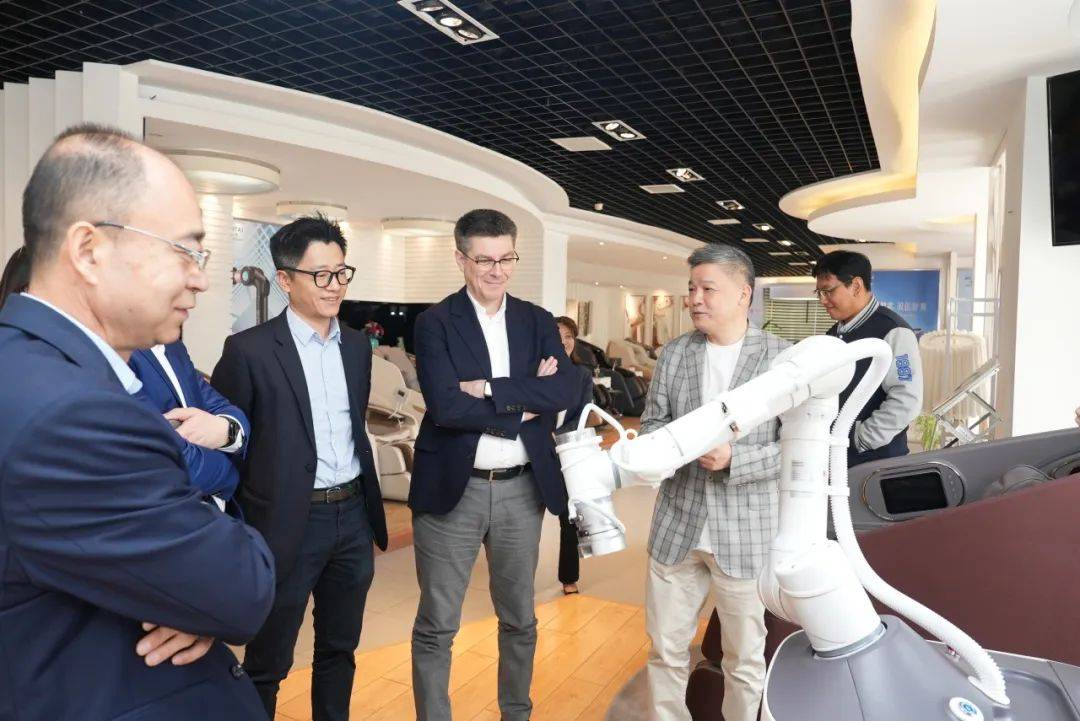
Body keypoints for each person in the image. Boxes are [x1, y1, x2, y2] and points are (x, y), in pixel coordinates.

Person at [0, 123, 275, 721]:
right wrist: (201, 592)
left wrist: (192, 588)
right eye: (184, 250)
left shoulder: (30, 367)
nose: (200, 276)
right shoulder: (74, 416)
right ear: (89, 251)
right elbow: (242, 588)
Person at [212, 214, 388, 721]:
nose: (335, 286)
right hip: (286, 523)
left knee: (339, 650)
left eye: (341, 272)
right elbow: (230, 445)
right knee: (267, 663)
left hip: (352, 517)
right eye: (321, 275)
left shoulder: (356, 347)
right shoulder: (248, 351)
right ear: (286, 280)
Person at [409, 209, 578, 721]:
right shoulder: (435, 323)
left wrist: (487, 388)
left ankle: (516, 714)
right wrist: (525, 402)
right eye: (484, 260)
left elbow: (565, 389)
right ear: (461, 259)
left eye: (506, 258)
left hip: (521, 490)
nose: (497, 271)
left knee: (520, 619)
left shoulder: (537, 320)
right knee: (438, 624)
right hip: (452, 490)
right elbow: (446, 408)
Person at [642, 244, 790, 721]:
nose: (695, 299)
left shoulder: (781, 359)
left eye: (708, 289)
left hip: (745, 532)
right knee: (665, 651)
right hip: (677, 526)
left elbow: (795, 448)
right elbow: (652, 424)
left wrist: (734, 459)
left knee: (744, 660)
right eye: (691, 289)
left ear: (744, 293)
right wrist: (666, 450)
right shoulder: (675, 353)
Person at [813, 250, 923, 466]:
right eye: (819, 293)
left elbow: (907, 399)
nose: (823, 300)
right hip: (837, 457)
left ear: (856, 286)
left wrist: (860, 439)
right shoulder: (834, 334)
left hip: (873, 462)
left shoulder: (894, 331)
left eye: (828, 291)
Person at [129, 340, 250, 513]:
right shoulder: (121, 353)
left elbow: (222, 406)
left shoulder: (173, 346)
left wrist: (226, 433)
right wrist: (230, 474)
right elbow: (166, 461)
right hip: (162, 518)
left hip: (209, 514)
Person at [554, 315, 600, 595]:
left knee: (569, 517)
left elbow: (583, 414)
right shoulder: (535, 372)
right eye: (558, 337)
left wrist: (555, 435)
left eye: (569, 336)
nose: (564, 342)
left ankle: (569, 577)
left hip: (566, 451)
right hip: (535, 452)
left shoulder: (581, 375)